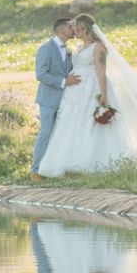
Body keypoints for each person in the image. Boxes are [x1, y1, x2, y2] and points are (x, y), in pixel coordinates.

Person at [38, 13, 137, 178]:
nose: (73, 30)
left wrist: (104, 95)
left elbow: (101, 72)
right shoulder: (79, 48)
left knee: (93, 124)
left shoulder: (98, 46)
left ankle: (95, 161)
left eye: (75, 26)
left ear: (83, 29)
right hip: (75, 93)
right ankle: (70, 161)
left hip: (92, 89)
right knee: (73, 125)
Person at [31, 18, 82, 182]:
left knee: (60, 134)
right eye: (70, 27)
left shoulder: (68, 51)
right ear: (61, 31)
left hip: (65, 99)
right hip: (48, 99)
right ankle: (35, 170)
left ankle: (53, 168)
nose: (73, 29)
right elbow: (41, 74)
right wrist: (63, 82)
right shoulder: (46, 48)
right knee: (45, 133)